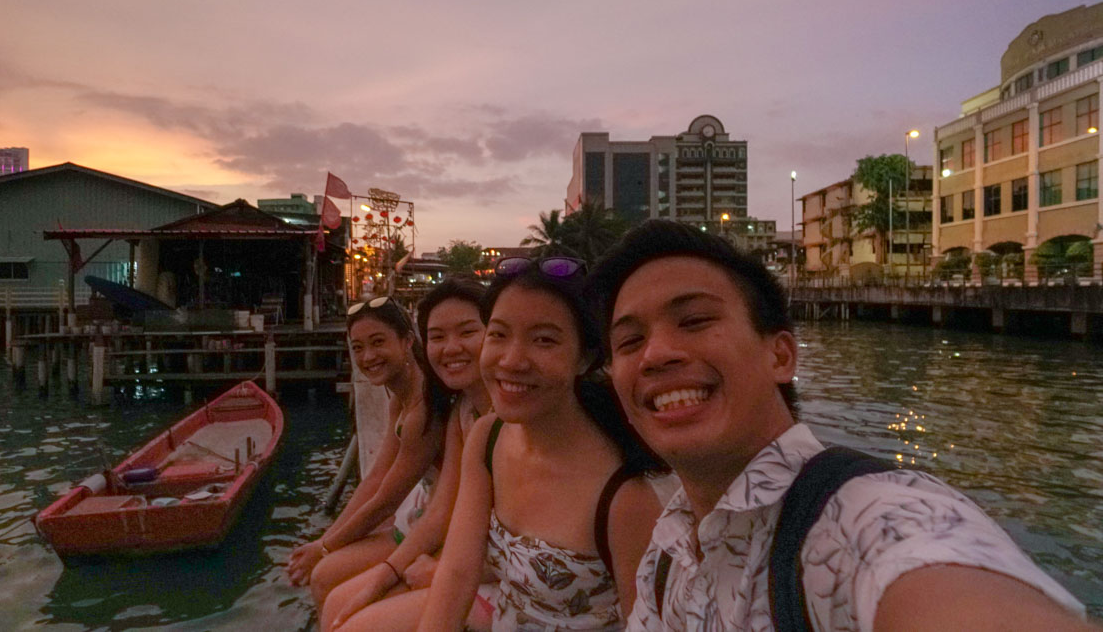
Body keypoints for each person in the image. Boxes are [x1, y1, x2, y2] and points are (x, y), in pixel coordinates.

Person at [588, 219, 1094, 631]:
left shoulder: (865, 523)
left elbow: (942, 586)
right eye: (629, 342)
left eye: (695, 320)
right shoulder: (668, 551)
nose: (655, 354)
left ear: (780, 355)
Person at [417, 257, 668, 632]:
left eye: (544, 340)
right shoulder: (488, 437)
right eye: (499, 334)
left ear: (585, 357)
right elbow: (457, 572)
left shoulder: (626, 497)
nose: (512, 360)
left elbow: (643, 623)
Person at [322, 278, 493, 631]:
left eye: (467, 332)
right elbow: (426, 503)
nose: (452, 348)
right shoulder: (463, 413)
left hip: (495, 572)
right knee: (337, 597)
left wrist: (325, 546)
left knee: (342, 604)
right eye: (439, 337)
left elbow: (388, 497)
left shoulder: (501, 419)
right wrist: (379, 577)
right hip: (449, 541)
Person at [288, 296, 450, 612]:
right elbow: (375, 477)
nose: (368, 356)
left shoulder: (423, 408)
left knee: (324, 576)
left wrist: (323, 549)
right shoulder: (399, 399)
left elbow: (386, 500)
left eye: (378, 342)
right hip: (418, 519)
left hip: (438, 533)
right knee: (327, 568)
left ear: (407, 341)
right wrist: (326, 540)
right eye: (358, 347)